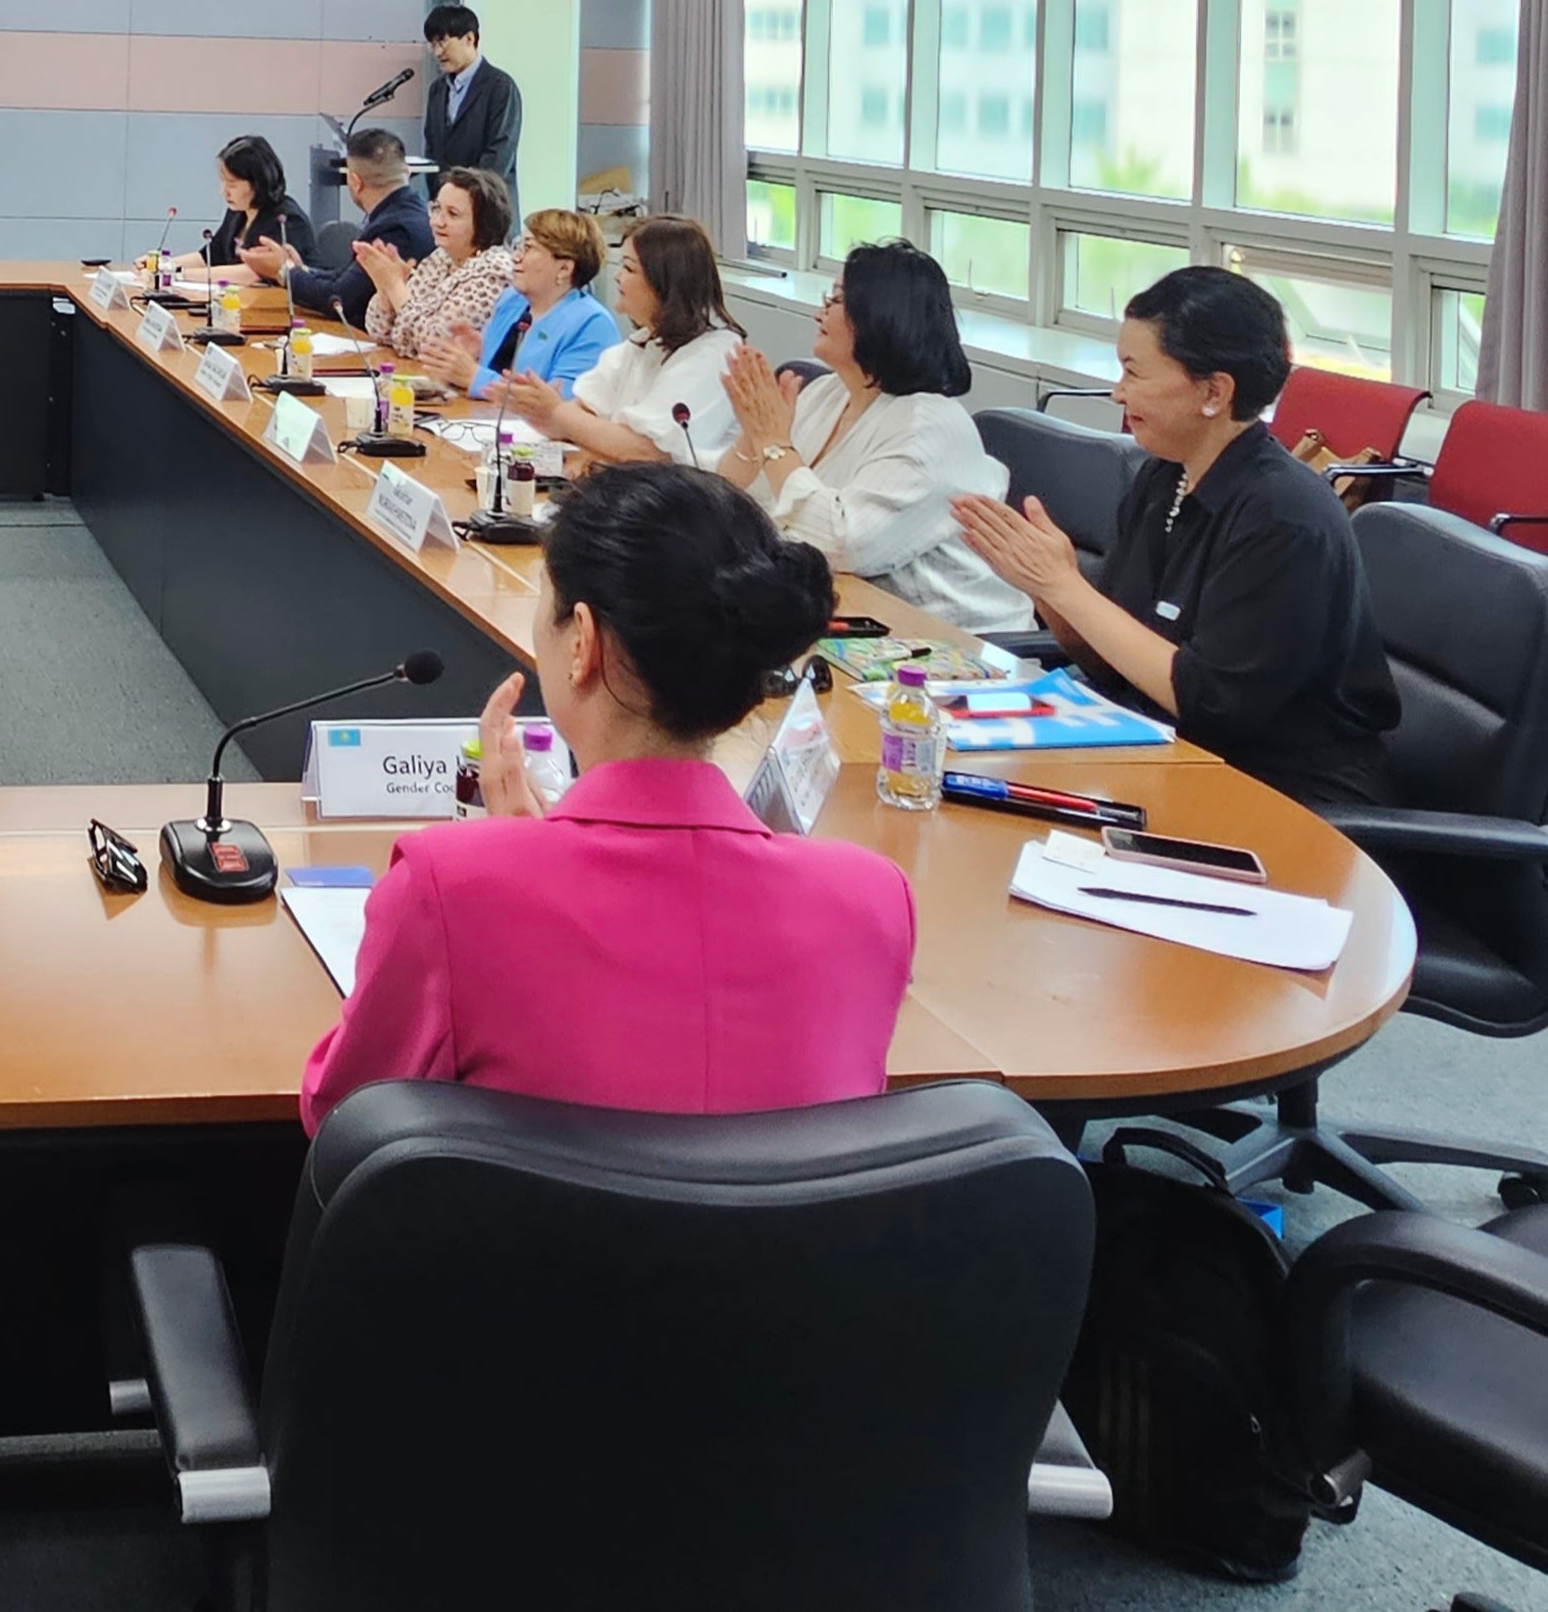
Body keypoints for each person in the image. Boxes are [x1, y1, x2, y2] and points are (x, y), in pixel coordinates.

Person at [299, 463, 916, 1133]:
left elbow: (341, 1114)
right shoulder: (873, 899)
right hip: (790, 1243)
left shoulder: (445, 885)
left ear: (583, 642)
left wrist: (502, 865)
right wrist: (520, 855)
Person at [955, 266, 1399, 809]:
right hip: (1161, 750)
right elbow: (1115, 659)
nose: (1118, 393)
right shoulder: (1166, 474)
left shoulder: (1285, 517)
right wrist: (1046, 589)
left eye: (1134, 373)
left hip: (1276, 796)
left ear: (1214, 391)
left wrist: (1066, 586)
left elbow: (1208, 703)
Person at [712, 241, 1032, 635]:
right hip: (855, 618)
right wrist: (753, 436)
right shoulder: (827, 394)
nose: (823, 309)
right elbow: (742, 501)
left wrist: (773, 442)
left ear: (882, 315)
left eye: (839, 299)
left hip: (957, 644)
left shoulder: (931, 426)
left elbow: (847, 545)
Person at [497, 215, 741, 467]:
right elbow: (582, 414)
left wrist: (557, 413)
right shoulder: (643, 342)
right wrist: (548, 411)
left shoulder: (715, 354)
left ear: (664, 282)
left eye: (629, 268)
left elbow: (648, 451)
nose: (617, 277)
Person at [239, 127, 429, 328]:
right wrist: (300, 269)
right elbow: (344, 277)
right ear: (406, 172)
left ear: (355, 182)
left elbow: (341, 299)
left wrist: (283, 272)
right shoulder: (404, 212)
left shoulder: (395, 229)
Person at [431, 206, 621, 400]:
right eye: (518, 247)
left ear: (564, 269)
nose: (516, 257)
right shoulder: (512, 301)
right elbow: (486, 376)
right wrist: (471, 358)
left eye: (528, 248)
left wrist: (474, 376)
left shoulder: (593, 324)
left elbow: (560, 405)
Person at [362, 167, 516, 362]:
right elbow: (379, 332)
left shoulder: (495, 272)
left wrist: (395, 287)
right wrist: (385, 294)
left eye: (452, 214)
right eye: (436, 209)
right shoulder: (441, 257)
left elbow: (434, 344)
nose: (437, 222)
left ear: (484, 222)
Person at [176, 135, 314, 284]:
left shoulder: (286, 219)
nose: (224, 191)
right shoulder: (238, 211)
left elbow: (255, 272)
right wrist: (164, 266)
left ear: (257, 183)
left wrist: (181, 275)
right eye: (223, 182)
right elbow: (209, 256)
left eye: (232, 184)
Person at [422, 3, 521, 208]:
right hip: (448, 207)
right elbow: (432, 149)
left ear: (469, 39)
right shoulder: (437, 89)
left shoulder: (500, 86)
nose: (437, 52)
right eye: (432, 44)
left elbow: (499, 155)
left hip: (487, 206)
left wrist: (465, 197)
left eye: (442, 41)